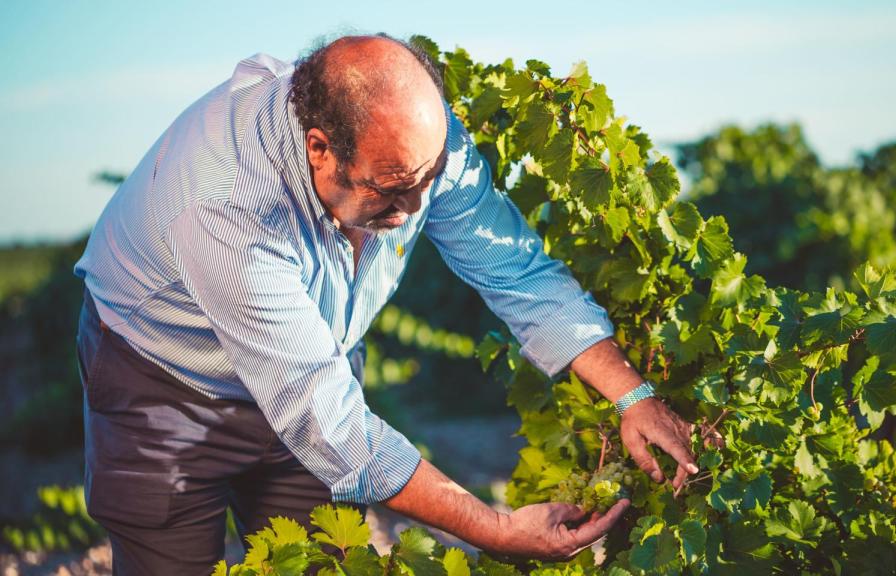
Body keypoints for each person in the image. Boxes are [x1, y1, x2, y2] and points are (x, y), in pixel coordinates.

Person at [73, 34, 703, 573]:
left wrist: (632, 395)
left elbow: (514, 267)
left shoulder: (419, 144)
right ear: (320, 148)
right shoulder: (225, 202)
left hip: (319, 367)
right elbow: (333, 424)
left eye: (425, 183)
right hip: (165, 388)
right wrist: (495, 529)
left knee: (326, 560)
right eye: (390, 191)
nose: (411, 211)